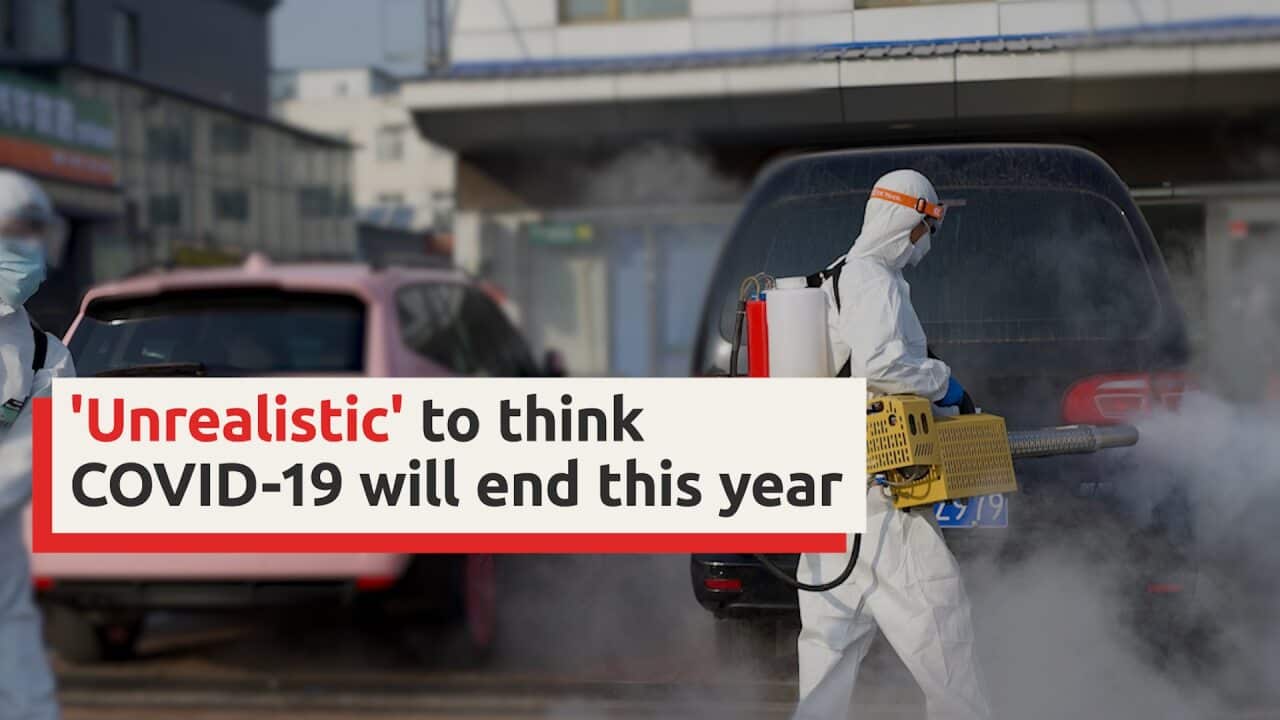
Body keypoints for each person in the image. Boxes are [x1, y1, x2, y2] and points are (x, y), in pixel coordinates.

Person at [794, 170, 991, 720]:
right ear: (910, 221)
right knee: (942, 629)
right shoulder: (871, 279)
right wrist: (945, 382)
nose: (925, 242)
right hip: (879, 496)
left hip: (833, 495)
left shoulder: (836, 276)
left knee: (827, 648)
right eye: (927, 228)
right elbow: (882, 365)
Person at [0, 169, 75, 720]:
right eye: (11, 231)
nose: (24, 247)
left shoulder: (45, 354)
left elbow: (49, 454)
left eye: (32, 232)